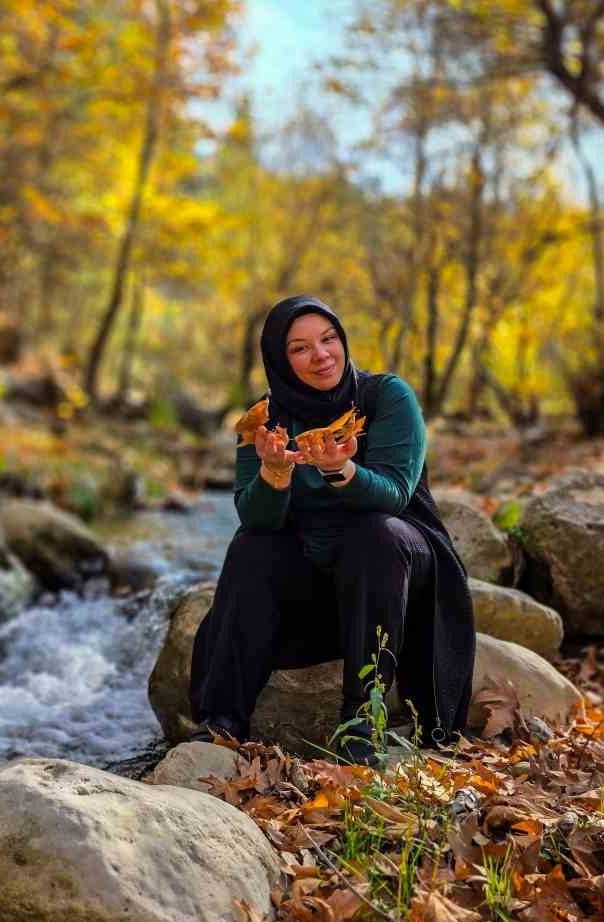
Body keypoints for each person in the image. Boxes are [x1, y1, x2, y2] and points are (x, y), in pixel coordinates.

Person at [187, 294, 475, 763]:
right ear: (280, 360)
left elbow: (395, 494)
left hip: (394, 574)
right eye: (300, 348)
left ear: (343, 340)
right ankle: (223, 722)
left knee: (373, 534)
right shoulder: (263, 418)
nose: (320, 355)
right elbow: (256, 519)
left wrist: (341, 471)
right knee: (251, 547)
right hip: (316, 580)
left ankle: (364, 719)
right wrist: (274, 474)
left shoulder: (386, 396)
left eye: (328, 339)